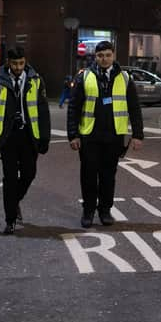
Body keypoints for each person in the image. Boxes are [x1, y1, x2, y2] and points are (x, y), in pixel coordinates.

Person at [67, 41, 144, 228]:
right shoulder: (84, 77)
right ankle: (88, 211)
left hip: (113, 136)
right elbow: (74, 107)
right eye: (101, 56)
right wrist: (73, 135)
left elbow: (134, 108)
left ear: (114, 56)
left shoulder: (125, 78)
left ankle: (105, 210)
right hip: (89, 135)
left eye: (108, 55)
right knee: (88, 175)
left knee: (109, 176)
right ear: (95, 57)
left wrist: (137, 134)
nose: (104, 59)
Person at [0, 48, 51, 234]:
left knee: (29, 174)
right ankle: (10, 219)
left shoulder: (36, 80)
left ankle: (14, 201)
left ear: (25, 61)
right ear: (8, 63)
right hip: (8, 137)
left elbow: (43, 110)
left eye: (21, 63)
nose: (18, 67)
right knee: (10, 179)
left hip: (29, 136)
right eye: (14, 64)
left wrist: (45, 137)